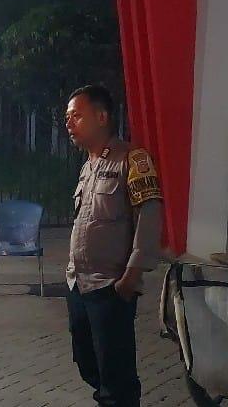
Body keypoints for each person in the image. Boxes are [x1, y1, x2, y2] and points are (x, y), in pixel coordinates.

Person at [64, 85, 163, 407]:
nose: (69, 123)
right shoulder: (87, 166)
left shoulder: (132, 159)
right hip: (79, 283)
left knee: (116, 373)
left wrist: (132, 275)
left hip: (111, 285)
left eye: (77, 116)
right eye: (67, 117)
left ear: (102, 117)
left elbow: (149, 216)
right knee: (87, 361)